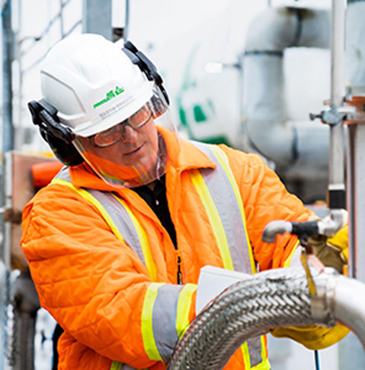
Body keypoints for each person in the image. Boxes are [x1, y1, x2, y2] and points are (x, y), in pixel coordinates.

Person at [21, 34, 348, 370]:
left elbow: (289, 251)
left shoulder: (236, 172)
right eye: (107, 132)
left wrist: (321, 261)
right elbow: (120, 312)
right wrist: (254, 302)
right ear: (67, 142)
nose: (131, 137)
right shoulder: (56, 215)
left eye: (138, 113)